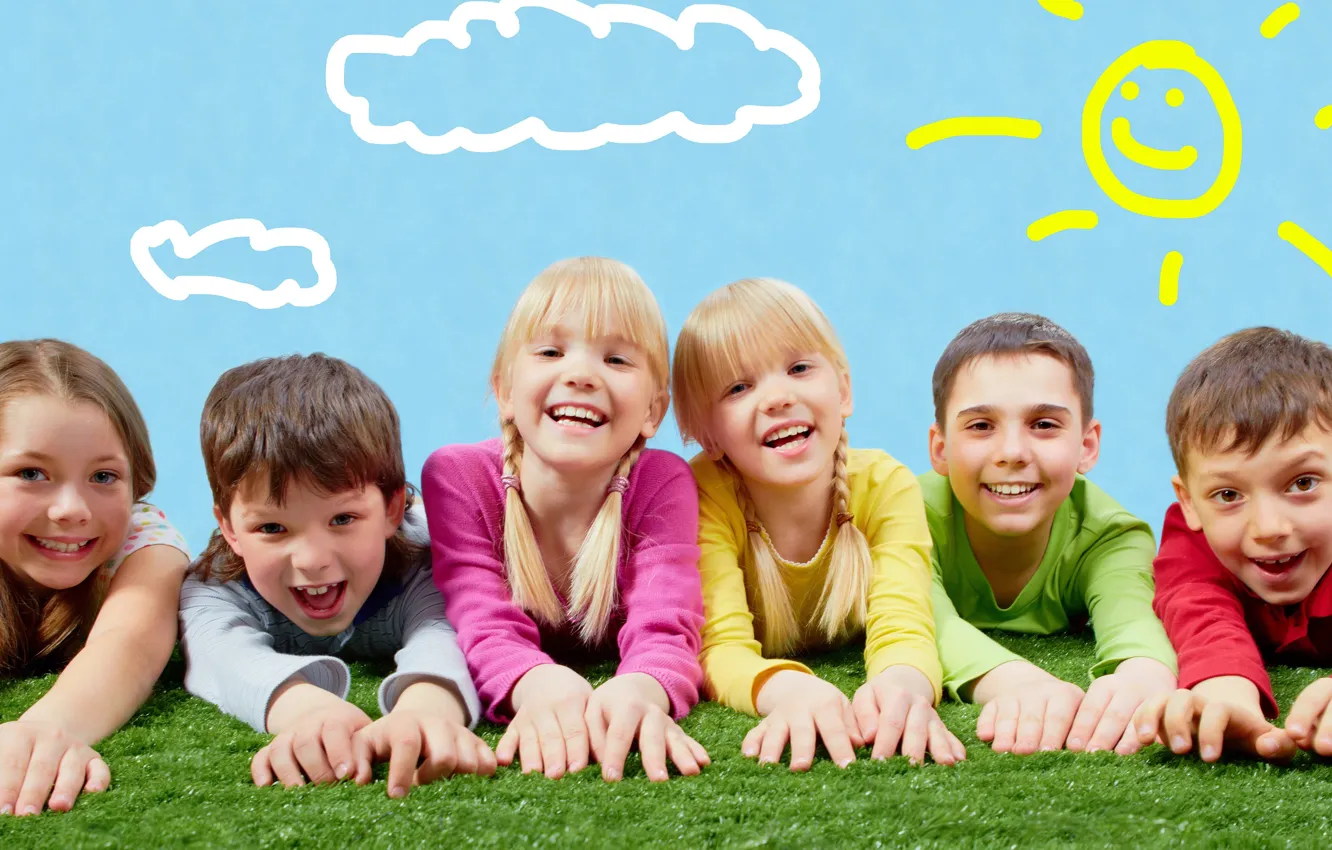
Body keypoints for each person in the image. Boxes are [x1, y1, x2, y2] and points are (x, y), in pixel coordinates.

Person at [422, 257, 709, 783]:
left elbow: (666, 622)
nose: (579, 374)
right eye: (551, 352)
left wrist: (642, 688)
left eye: (617, 359)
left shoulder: (663, 482)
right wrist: (535, 683)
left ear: (654, 411)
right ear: (505, 389)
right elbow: (480, 619)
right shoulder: (456, 478)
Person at [673, 277, 960, 770]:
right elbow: (720, 648)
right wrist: (788, 689)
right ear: (706, 434)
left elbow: (905, 621)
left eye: (799, 368)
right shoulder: (701, 497)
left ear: (843, 390)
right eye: (739, 387)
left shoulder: (885, 485)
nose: (778, 397)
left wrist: (903, 682)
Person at [180, 353, 489, 798]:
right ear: (228, 528)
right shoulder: (215, 586)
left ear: (392, 508)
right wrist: (306, 711)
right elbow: (221, 658)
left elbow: (444, 630)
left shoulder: (429, 555)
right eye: (271, 528)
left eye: (343, 519)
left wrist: (426, 707)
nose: (311, 559)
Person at [922, 313, 1176, 755]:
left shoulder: (1112, 537)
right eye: (981, 425)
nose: (1013, 453)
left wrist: (1143, 673)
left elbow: (1133, 619)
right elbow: (923, 619)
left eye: (1044, 424)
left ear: (1087, 445)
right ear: (940, 449)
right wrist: (1014, 681)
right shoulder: (905, 515)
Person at [0, 339, 189, 816]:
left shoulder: (144, 539)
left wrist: (46, 729)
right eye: (31, 472)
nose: (72, 510)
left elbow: (130, 641)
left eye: (104, 477)